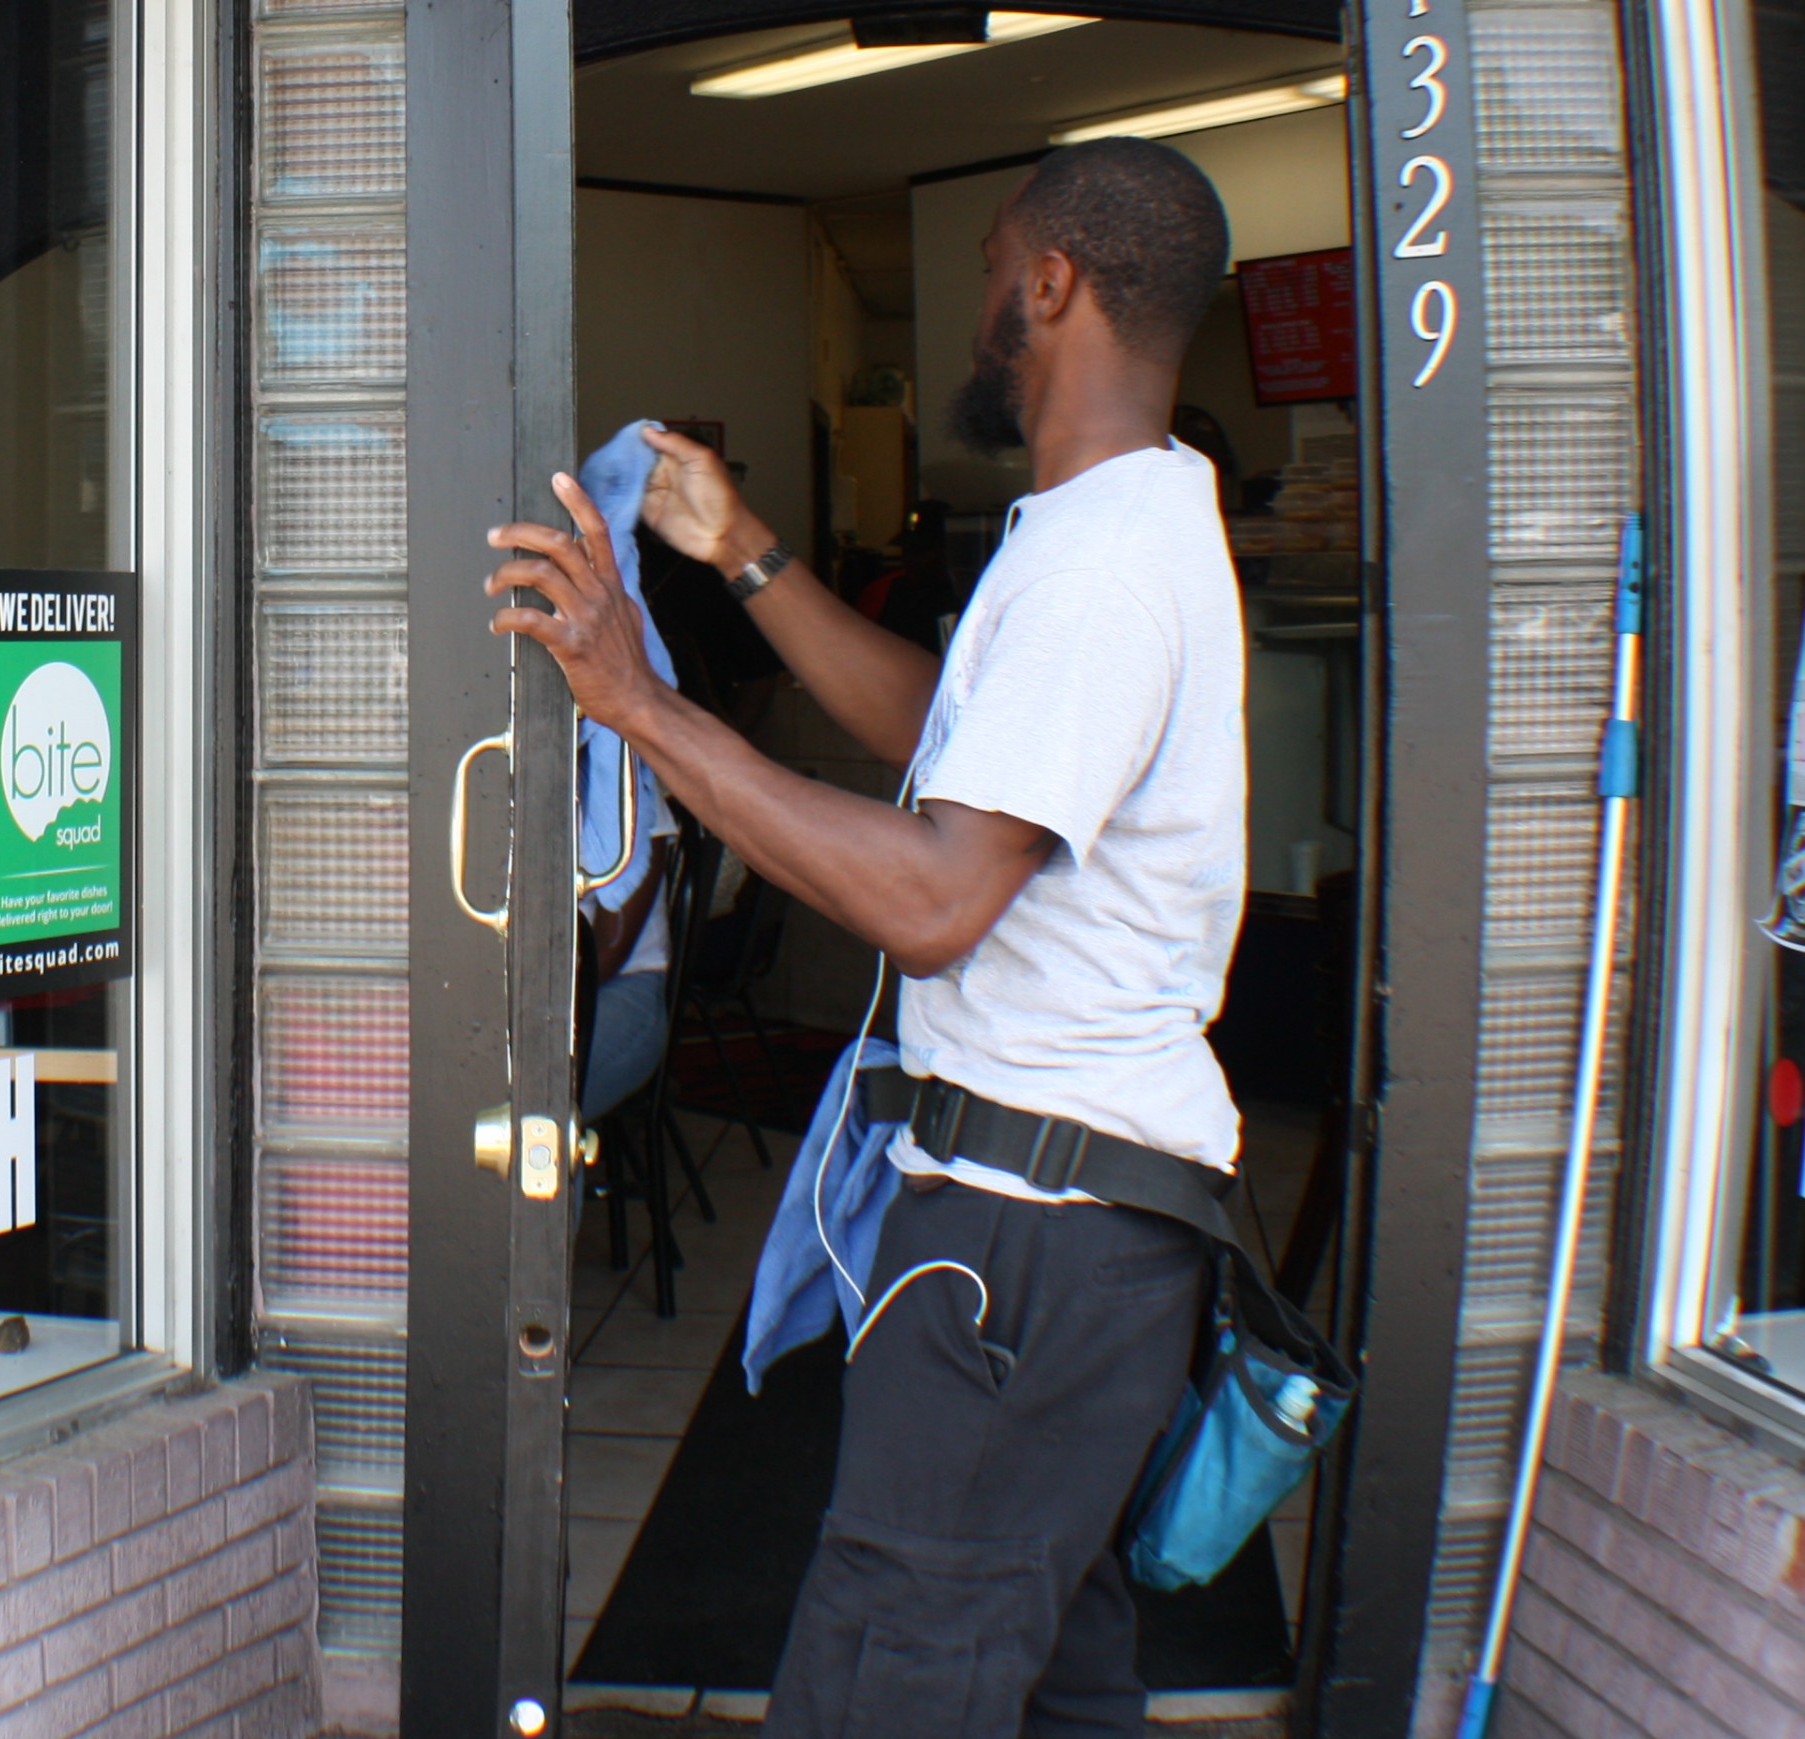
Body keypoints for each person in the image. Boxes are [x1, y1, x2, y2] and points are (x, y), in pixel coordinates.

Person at [489, 138, 1244, 1738]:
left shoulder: (1106, 562)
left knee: (892, 1674)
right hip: (1081, 1227)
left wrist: (636, 698)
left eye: (988, 270)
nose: (979, 306)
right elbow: (949, 741)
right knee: (1048, 1679)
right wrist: (742, 549)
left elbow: (933, 894)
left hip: (1027, 1233)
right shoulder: (1101, 526)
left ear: (1052, 284)